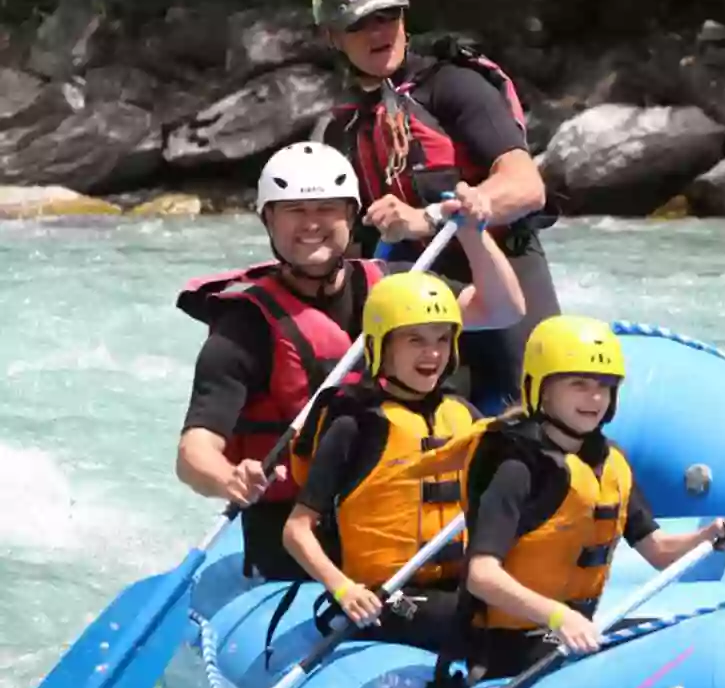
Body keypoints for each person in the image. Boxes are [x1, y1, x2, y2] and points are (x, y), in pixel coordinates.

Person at [175, 141, 525, 581]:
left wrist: (473, 233)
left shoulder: (398, 286)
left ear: (351, 214)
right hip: (305, 541)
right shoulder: (245, 326)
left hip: (406, 520)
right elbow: (194, 451)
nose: (312, 225)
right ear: (269, 219)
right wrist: (228, 479)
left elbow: (501, 309)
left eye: (326, 209)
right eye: (295, 211)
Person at [311, 0, 562, 412]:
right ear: (331, 36)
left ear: (404, 16)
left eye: (387, 15)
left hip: (503, 273)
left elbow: (527, 186)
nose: (378, 31)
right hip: (417, 293)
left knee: (534, 417)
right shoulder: (339, 129)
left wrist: (427, 218)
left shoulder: (455, 86)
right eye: (359, 23)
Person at [449, 316, 725, 682]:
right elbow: (481, 575)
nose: (594, 398)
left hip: (574, 632)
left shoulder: (611, 463)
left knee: (684, 645)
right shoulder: (515, 467)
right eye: (579, 385)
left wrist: (709, 537)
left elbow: (657, 550)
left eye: (604, 387)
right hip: (512, 643)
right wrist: (557, 617)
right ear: (542, 389)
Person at [277, 271, 481, 650]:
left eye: (441, 339)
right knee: (474, 624)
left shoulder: (464, 414)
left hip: (460, 584)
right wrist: (342, 589)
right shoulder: (356, 424)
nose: (432, 354)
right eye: (415, 340)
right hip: (387, 598)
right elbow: (297, 530)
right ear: (381, 347)